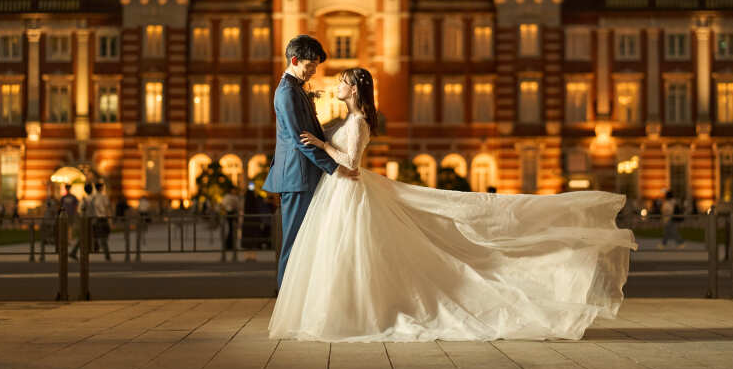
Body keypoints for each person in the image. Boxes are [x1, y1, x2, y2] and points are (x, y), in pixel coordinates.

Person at [268, 67, 638, 342]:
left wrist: (321, 146)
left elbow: (349, 165)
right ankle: (342, 310)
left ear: (355, 89)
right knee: (344, 255)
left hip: (348, 190)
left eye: (343, 81)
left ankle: (351, 313)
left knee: (354, 254)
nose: (337, 84)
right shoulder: (349, 117)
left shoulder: (360, 121)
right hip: (341, 194)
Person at [262, 35, 360, 288]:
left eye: (316, 66)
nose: (313, 71)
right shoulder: (287, 92)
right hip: (297, 178)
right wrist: (335, 168)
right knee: (294, 243)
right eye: (310, 66)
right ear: (294, 60)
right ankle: (286, 301)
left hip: (303, 175)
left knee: (305, 242)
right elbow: (300, 139)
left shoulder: (296, 89)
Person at [69, 183, 94, 260]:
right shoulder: (91, 199)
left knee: (85, 236)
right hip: (88, 219)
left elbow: (79, 210)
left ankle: (76, 252)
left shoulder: (84, 199)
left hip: (85, 219)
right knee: (85, 236)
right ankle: (76, 252)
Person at [92, 182, 112, 261]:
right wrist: (110, 219)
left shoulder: (93, 197)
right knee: (104, 236)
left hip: (95, 218)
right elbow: (107, 208)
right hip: (103, 218)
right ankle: (107, 255)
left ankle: (96, 247)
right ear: (100, 188)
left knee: (98, 235)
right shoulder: (104, 197)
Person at [221, 187, 241, 260]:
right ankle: (229, 245)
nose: (234, 191)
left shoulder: (236, 197)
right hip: (229, 213)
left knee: (233, 230)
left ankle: (231, 245)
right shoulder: (227, 197)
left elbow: (238, 206)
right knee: (229, 230)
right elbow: (223, 205)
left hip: (234, 214)